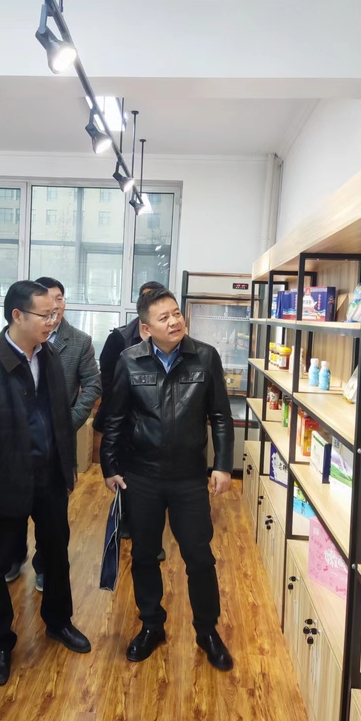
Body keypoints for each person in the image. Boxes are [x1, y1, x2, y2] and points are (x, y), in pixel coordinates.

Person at [100, 287, 234, 671]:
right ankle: (151, 625)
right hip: (141, 476)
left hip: (189, 477)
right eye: (164, 317)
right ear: (146, 328)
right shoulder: (129, 361)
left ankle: (207, 631)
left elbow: (220, 416)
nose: (175, 321)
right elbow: (115, 418)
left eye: (176, 313)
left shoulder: (205, 356)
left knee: (199, 556)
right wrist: (109, 466)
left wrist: (223, 464)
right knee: (144, 555)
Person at [0, 280, 91, 688]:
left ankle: (59, 621)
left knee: (56, 553)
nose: (52, 320)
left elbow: (60, 417)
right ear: (17, 315)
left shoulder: (49, 356)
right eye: (45, 314)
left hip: (49, 476)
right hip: (6, 481)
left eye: (55, 313)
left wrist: (67, 467)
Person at [4, 275, 101, 588]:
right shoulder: (12, 341)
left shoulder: (78, 341)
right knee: (15, 508)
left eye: (59, 299)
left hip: (56, 443)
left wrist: (67, 422)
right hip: (17, 445)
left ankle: (45, 567)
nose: (54, 306)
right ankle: (13, 556)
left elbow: (93, 385)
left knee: (53, 517)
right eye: (47, 301)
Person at [94, 280, 166, 553]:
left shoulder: (168, 337)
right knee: (125, 471)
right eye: (147, 299)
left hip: (155, 420)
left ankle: (150, 535)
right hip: (123, 417)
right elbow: (107, 377)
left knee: (152, 476)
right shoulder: (120, 337)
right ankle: (125, 519)